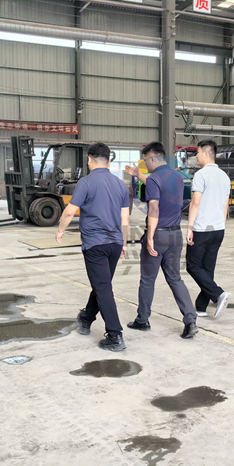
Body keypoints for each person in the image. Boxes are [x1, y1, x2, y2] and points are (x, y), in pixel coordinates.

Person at [56, 142, 131, 351]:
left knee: (103, 287)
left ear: (89, 160)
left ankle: (115, 336)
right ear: (108, 161)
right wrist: (124, 242)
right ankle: (86, 318)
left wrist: (60, 230)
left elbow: (70, 211)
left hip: (95, 244)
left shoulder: (86, 182)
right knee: (102, 284)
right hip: (115, 243)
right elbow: (125, 218)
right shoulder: (120, 184)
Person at [126, 142, 199, 339]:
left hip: (158, 235)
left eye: (145, 161)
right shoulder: (177, 176)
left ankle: (142, 320)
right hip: (175, 235)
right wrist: (137, 174)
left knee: (147, 279)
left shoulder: (154, 179)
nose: (145, 165)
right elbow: (156, 183)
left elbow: (154, 208)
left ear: (152, 158)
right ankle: (190, 320)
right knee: (175, 278)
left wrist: (150, 236)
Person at [186, 140, 232, 319]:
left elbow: (195, 203)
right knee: (208, 268)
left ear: (205, 154)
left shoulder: (201, 175)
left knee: (192, 266)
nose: (196, 156)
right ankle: (201, 307)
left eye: (197, 153)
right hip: (218, 228)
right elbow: (225, 206)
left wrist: (190, 228)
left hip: (202, 229)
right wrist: (221, 224)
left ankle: (219, 294)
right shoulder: (225, 177)